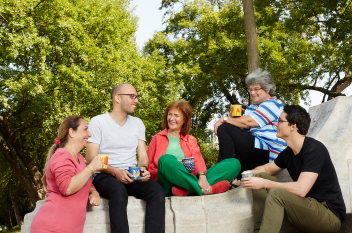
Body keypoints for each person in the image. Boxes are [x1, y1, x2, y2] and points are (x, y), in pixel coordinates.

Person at [242, 105, 346, 233]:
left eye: (280, 121)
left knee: (276, 193)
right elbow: (265, 169)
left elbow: (301, 189)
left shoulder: (314, 149)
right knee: (260, 176)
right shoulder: (288, 153)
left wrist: (265, 184)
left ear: (293, 126)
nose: (276, 124)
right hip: (306, 208)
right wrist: (247, 175)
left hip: (329, 216)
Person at [86, 84, 165, 233]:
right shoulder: (98, 122)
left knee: (157, 191)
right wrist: (115, 171)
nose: (136, 100)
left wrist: (143, 169)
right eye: (132, 96)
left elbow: (142, 155)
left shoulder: (138, 123)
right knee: (118, 190)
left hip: (131, 173)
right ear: (117, 98)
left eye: (136, 97)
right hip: (104, 174)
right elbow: (90, 158)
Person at [148, 100, 241, 196]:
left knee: (234, 163)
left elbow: (198, 161)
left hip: (190, 178)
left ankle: (187, 190)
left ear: (184, 120)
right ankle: (204, 190)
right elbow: (149, 169)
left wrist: (202, 176)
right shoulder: (157, 138)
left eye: (176, 115)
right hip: (167, 183)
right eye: (169, 114)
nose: (171, 118)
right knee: (166, 159)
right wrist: (174, 168)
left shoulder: (191, 140)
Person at [31, 115, 103, 233]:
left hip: (68, 228)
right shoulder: (62, 156)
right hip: (52, 227)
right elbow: (67, 188)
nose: (89, 134)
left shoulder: (79, 158)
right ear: (72, 132)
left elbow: (85, 182)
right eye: (85, 129)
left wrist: (94, 192)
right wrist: (91, 168)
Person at [214, 69, 287, 177]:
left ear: (267, 89)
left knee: (224, 128)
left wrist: (224, 120)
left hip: (268, 152)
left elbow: (248, 122)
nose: (252, 93)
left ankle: (225, 174)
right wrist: (231, 118)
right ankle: (226, 177)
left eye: (256, 89)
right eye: (250, 89)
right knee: (227, 131)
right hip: (255, 149)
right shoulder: (252, 108)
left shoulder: (273, 104)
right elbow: (241, 129)